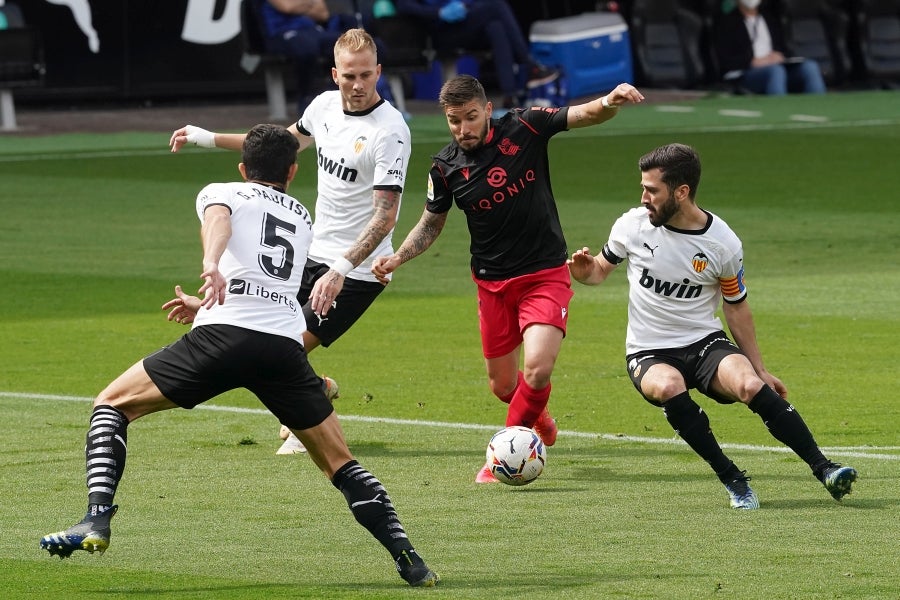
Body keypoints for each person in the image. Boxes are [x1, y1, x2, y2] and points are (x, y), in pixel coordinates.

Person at [38, 124, 439, 587]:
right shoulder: (302, 217)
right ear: (292, 171)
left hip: (222, 339)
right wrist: (206, 305)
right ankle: (410, 559)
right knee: (340, 463)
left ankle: (96, 519)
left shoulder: (223, 191)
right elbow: (267, 284)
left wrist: (210, 265)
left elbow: (219, 222)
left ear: (243, 169)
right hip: (283, 347)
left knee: (111, 405)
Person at [372, 75, 644, 483]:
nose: (463, 128)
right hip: (492, 285)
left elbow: (584, 115)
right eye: (454, 120)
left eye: (470, 117)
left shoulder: (526, 126)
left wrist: (610, 100)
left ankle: (501, 457)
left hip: (544, 275)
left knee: (537, 370)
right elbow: (430, 224)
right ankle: (539, 416)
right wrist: (398, 257)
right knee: (503, 386)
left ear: (487, 109)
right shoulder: (445, 167)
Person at [567, 142, 857, 509]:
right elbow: (598, 270)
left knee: (749, 384)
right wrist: (584, 271)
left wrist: (760, 368)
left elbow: (736, 307)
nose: (644, 198)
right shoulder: (632, 226)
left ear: (681, 192)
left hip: (704, 343)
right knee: (669, 386)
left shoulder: (722, 244)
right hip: (648, 350)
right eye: (643, 188)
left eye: (652, 190)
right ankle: (734, 479)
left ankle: (825, 469)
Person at [169, 28, 410, 455]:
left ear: (379, 72)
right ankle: (317, 389)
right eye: (349, 76)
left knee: (284, 348)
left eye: (366, 75)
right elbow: (276, 147)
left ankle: (307, 425)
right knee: (264, 339)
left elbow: (385, 216)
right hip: (310, 254)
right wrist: (207, 138)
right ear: (335, 74)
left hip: (357, 270)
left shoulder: (390, 132)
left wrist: (340, 270)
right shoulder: (323, 107)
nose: (358, 85)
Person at [394, 0, 560, 108]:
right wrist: (438, 12)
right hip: (437, 32)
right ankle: (529, 65)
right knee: (497, 6)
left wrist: (464, 5)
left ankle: (510, 96)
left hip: (463, 24)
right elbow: (403, 6)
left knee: (495, 27)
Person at [255, 0, 360, 114]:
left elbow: (323, 14)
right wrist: (310, 4)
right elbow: (287, 7)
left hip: (313, 31)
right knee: (306, 47)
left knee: (345, 45)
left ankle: (339, 93)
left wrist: (298, 6)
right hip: (284, 32)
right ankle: (306, 96)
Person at [712, 0, 826, 95]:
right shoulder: (726, 22)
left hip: (777, 65)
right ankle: (779, 108)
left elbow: (784, 48)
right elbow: (725, 59)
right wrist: (752, 62)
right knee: (776, 71)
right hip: (747, 72)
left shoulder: (770, 18)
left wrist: (779, 56)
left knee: (810, 67)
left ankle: (819, 105)